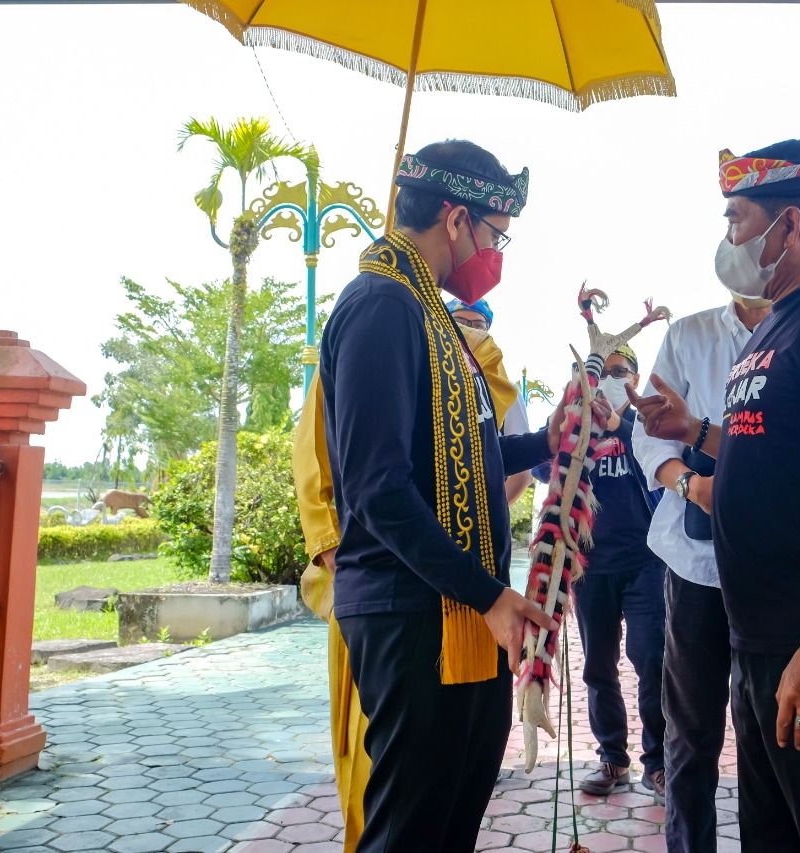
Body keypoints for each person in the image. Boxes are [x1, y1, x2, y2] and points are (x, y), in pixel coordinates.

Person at [632, 137, 800, 851]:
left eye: (737, 219)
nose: (728, 237)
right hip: (761, 633)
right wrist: (693, 430)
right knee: (774, 835)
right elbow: (775, 448)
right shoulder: (779, 324)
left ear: (788, 225)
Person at [319, 139, 570, 852]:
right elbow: (378, 489)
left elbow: (463, 458)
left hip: (451, 607)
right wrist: (489, 597)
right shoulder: (382, 307)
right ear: (456, 219)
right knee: (411, 830)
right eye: (495, 235)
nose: (495, 256)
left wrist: (547, 439)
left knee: (448, 823)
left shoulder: (430, 314)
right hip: (411, 613)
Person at [294, 303, 529, 851]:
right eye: (464, 317)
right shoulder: (380, 314)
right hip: (401, 605)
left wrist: (550, 440)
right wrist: (339, 557)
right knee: (392, 799)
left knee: (448, 803)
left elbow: (478, 455)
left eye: (480, 320)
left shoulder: (465, 353)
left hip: (464, 604)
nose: (472, 324)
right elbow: (362, 480)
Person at [632, 291, 770, 852]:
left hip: (777, 566)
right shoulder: (689, 335)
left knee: (765, 729)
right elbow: (649, 431)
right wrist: (690, 485)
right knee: (690, 730)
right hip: (694, 564)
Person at [557, 344, 668, 801]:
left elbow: (664, 462)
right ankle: (612, 759)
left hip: (646, 561)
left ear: (635, 379)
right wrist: (574, 423)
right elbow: (547, 470)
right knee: (598, 665)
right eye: (599, 371)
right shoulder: (574, 424)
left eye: (620, 371)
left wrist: (618, 424)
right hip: (591, 565)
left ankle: (658, 764)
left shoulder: (647, 423)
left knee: (652, 658)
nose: (608, 379)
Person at [445, 297, 533, 502]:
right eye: (459, 322)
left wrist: (491, 513)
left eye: (478, 325)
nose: (469, 330)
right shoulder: (424, 374)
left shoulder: (505, 389)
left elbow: (523, 473)